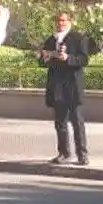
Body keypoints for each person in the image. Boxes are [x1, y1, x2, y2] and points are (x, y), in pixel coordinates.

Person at [39, 11, 90, 165]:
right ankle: (64, 153)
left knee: (77, 121)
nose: (60, 24)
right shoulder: (51, 40)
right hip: (57, 86)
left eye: (63, 20)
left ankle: (82, 154)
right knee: (60, 122)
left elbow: (84, 59)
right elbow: (42, 61)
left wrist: (68, 58)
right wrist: (44, 58)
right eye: (58, 21)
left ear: (69, 21)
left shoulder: (78, 38)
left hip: (72, 85)